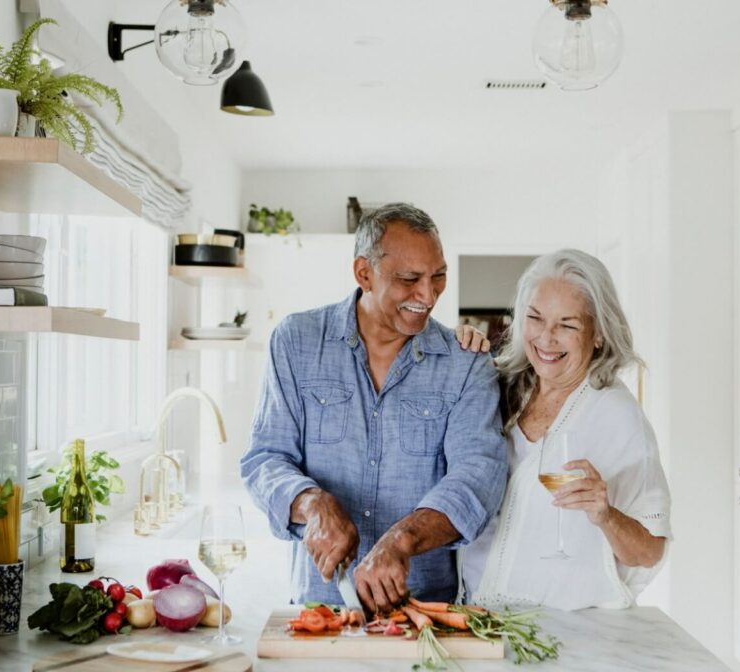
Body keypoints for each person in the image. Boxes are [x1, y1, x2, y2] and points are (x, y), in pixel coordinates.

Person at [241, 203, 507, 613]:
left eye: (438, 277)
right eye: (409, 279)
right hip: (318, 608)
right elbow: (265, 458)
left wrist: (402, 540)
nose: (428, 295)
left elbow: (478, 478)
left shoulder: (466, 362)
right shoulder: (296, 342)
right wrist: (312, 503)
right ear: (364, 273)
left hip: (424, 612)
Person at [460, 249, 671, 610]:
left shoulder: (617, 417)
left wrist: (606, 515)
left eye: (567, 325)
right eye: (536, 318)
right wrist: (457, 351)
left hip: (564, 632)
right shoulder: (499, 386)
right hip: (475, 615)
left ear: (599, 334)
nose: (546, 338)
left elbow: (649, 551)